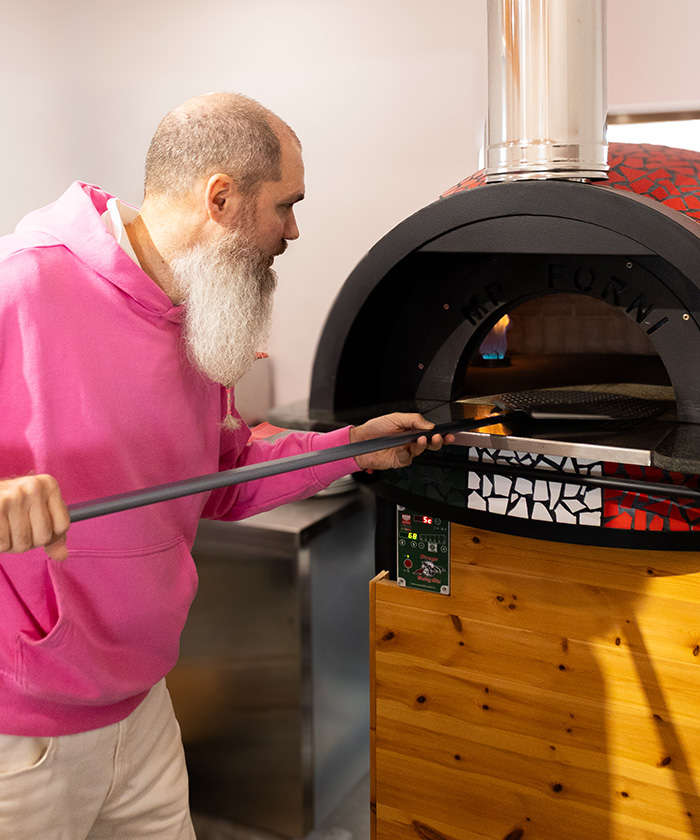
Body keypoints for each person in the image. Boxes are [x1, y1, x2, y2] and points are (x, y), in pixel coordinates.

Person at [0, 92, 451, 839]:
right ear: (221, 198)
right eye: (285, 205)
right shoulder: (22, 283)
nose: (293, 231)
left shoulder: (202, 310)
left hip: (143, 702)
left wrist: (354, 446)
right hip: (23, 736)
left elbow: (226, 477)